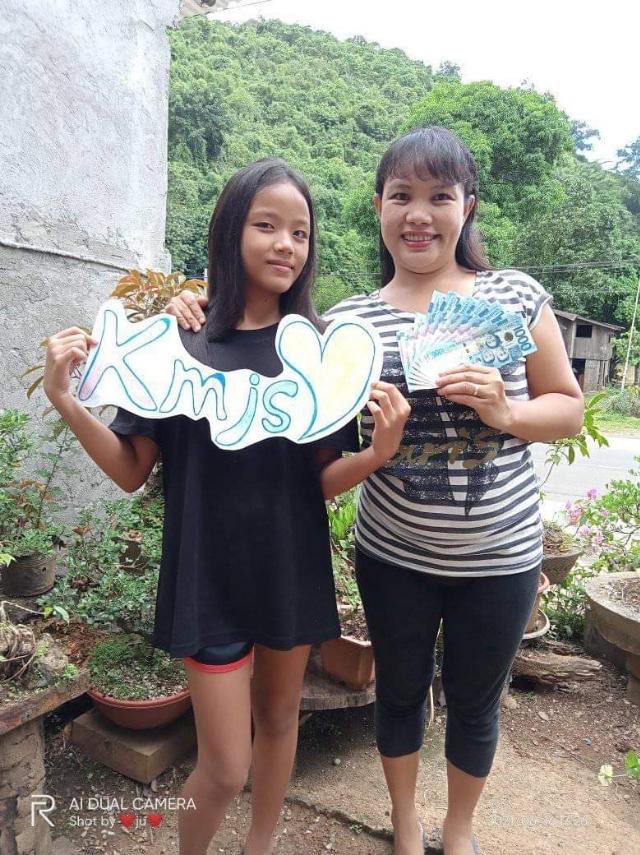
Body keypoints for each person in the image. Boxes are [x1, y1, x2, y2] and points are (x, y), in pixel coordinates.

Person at [167, 129, 584, 855]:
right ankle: (404, 823)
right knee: (397, 692)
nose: (418, 214)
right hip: (394, 552)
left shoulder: (513, 295)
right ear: (378, 207)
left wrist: (507, 412)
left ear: (467, 206)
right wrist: (199, 302)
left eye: (439, 196)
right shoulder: (348, 322)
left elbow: (568, 409)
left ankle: (459, 827)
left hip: (501, 553)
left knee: (476, 702)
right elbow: (266, 348)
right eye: (401, 196)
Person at [43, 157, 410, 855]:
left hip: (288, 566)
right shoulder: (180, 343)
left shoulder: (318, 355)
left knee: (280, 721)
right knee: (223, 764)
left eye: (299, 232)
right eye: (266, 225)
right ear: (230, 230)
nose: (285, 245)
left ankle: (259, 846)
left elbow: (317, 480)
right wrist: (67, 400)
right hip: (205, 575)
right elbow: (130, 470)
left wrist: (375, 454)